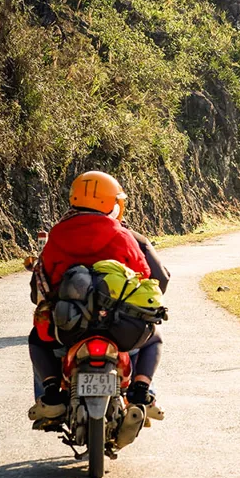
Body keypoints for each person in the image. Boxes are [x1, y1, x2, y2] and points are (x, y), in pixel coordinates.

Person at [27, 171, 164, 424]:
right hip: (117, 325)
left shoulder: (58, 234)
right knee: (153, 337)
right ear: (111, 202)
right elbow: (144, 274)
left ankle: (51, 394)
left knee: (38, 337)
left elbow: (43, 281)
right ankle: (141, 391)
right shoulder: (122, 235)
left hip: (70, 326)